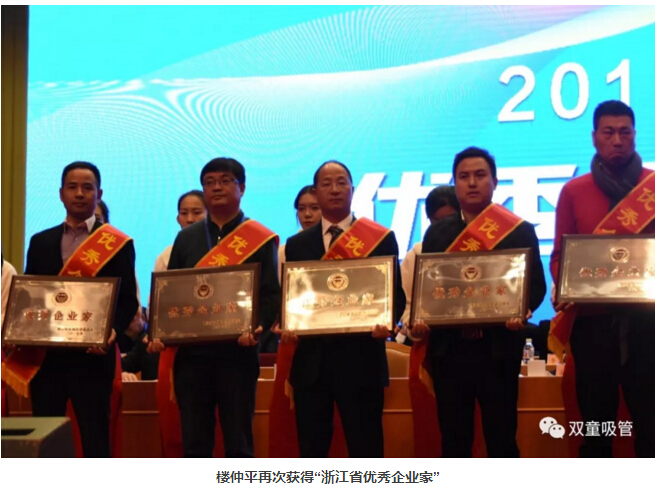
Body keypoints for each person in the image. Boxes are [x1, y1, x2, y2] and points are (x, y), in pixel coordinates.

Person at [411, 147, 546, 457]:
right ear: (455, 184)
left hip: (498, 350)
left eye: (480, 175)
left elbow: (535, 286)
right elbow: (429, 289)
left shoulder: (519, 230)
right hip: (450, 351)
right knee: (454, 442)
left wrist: (522, 310)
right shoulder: (437, 234)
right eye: (464, 176)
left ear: (495, 182)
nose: (472, 182)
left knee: (502, 439)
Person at [148, 157, 280, 458]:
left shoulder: (259, 238)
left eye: (224, 180)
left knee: (238, 442)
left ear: (241, 188)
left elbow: (270, 293)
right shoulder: (186, 238)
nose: (216, 187)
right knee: (195, 442)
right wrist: (160, 330)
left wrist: (257, 326)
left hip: (238, 355)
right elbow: (173, 292)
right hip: (193, 359)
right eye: (209, 182)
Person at [277, 160, 406, 457]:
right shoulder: (297, 244)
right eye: (326, 184)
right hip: (312, 365)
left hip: (362, 361)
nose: (334, 189)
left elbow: (395, 296)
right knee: (312, 453)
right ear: (316, 192)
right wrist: (287, 323)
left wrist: (387, 323)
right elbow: (293, 299)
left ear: (352, 189)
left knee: (366, 451)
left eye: (341, 182)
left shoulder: (380, 237)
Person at [11, 161, 139, 457]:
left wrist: (111, 332)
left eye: (87, 187)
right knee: (46, 440)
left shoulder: (117, 243)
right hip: (48, 360)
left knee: (96, 440)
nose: (79, 193)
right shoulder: (40, 241)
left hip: (93, 359)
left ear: (99, 193)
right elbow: (30, 296)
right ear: (61, 194)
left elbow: (127, 301)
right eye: (72, 187)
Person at [550, 100, 655, 457]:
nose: (617, 140)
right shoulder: (573, 191)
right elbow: (559, 257)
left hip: (648, 325)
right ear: (594, 137)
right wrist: (566, 285)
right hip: (593, 327)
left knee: (651, 425)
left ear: (635, 135)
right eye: (608, 132)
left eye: (625, 132)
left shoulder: (652, 187)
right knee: (596, 429)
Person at [398, 185, 460, 340]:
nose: (444, 226)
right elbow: (406, 304)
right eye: (438, 221)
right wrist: (413, 326)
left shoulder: (476, 248)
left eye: (451, 219)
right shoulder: (417, 254)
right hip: (433, 341)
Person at [153, 190, 207, 273]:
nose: (189, 219)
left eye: (196, 213)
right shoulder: (166, 257)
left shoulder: (219, 249)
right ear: (178, 219)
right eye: (184, 213)